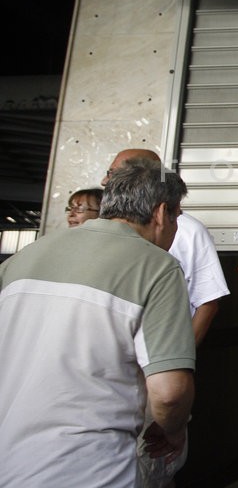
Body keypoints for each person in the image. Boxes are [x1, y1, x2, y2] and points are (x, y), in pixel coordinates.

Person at [0, 157, 195, 486]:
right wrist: (173, 431)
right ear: (162, 213)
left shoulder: (24, 257)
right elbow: (169, 393)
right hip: (88, 468)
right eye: (177, 216)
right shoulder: (157, 267)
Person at [104, 148, 229, 344]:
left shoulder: (188, 230)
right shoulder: (101, 228)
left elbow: (208, 302)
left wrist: (182, 354)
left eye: (113, 173)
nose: (104, 181)